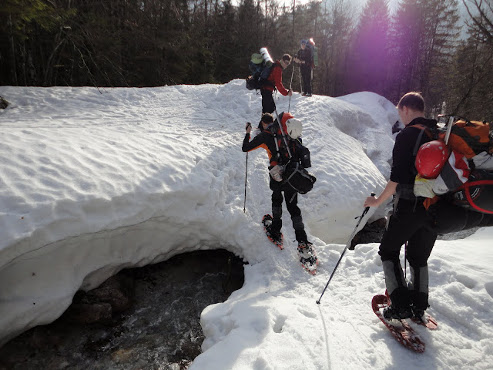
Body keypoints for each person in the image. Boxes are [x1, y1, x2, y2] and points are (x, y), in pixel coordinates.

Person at [364, 92, 438, 321]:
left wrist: (376, 201)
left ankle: (400, 304)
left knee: (388, 250)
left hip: (409, 205)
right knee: (418, 257)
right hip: (437, 208)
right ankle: (418, 305)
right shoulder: (439, 134)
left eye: (400, 112)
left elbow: (396, 181)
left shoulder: (407, 135)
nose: (401, 118)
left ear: (406, 109)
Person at [242, 112, 317, 268]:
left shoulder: (267, 136)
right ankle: (303, 243)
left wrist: (248, 133)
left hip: (276, 175)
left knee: (277, 199)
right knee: (293, 207)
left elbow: (246, 148)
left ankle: (276, 230)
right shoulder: (295, 135)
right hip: (292, 177)